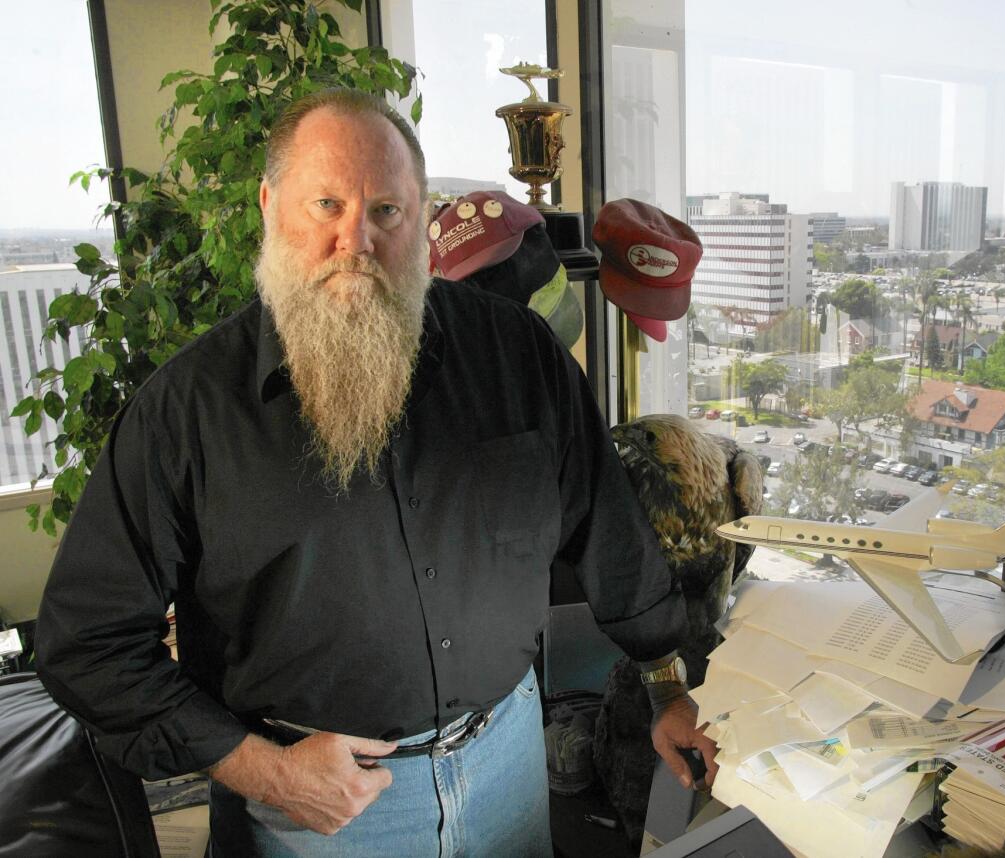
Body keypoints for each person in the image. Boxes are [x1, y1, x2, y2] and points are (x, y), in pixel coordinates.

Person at [35, 88, 716, 857]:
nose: (354, 240)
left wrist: (667, 686)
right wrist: (263, 771)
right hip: (313, 813)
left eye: (386, 211)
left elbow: (608, 530)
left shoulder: (519, 354)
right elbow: (84, 643)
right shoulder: (184, 412)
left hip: (508, 764)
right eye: (326, 204)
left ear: (421, 220)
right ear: (270, 206)